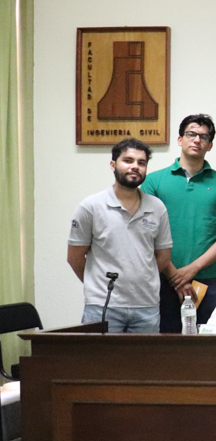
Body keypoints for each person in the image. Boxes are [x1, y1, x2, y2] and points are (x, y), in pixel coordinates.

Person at [142, 114, 216, 331]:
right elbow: (146, 233)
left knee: (208, 344)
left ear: (210, 145)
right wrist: (175, 275)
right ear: (180, 140)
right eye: (191, 134)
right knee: (163, 344)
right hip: (161, 277)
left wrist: (192, 269)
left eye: (203, 137)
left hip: (207, 280)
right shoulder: (153, 181)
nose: (197, 140)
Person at [67, 138, 174, 333]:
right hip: (102, 305)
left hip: (146, 307)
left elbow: (163, 257)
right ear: (113, 165)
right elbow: (75, 257)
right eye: (128, 160)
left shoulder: (157, 207)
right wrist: (96, 285)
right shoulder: (91, 206)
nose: (135, 166)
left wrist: (141, 279)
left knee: (145, 355)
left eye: (141, 163)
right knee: (99, 355)